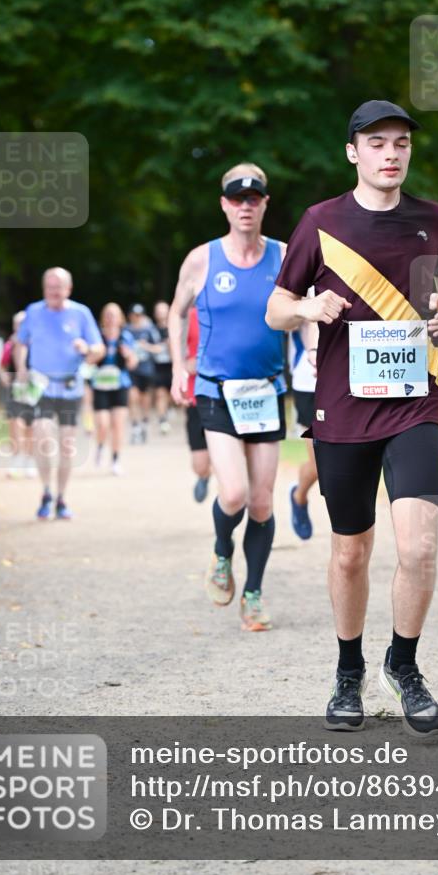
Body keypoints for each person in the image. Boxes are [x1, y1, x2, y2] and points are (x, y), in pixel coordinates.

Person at [266, 100, 438, 732]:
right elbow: (275, 307)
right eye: (377, 143)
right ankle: (348, 670)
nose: (391, 153)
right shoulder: (319, 221)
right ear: (353, 152)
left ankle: (403, 665)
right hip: (343, 408)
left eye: (401, 143)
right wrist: (307, 309)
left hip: (416, 402)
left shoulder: (430, 219)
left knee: (420, 545)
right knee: (351, 552)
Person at [169, 162, 286, 632]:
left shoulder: (283, 256)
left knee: (261, 502)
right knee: (233, 493)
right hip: (215, 390)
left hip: (267, 390)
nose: (245, 205)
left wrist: (314, 352)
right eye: (236, 198)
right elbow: (177, 313)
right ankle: (222, 553)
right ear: (224, 204)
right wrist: (179, 364)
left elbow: (303, 312)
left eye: (253, 198)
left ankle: (253, 593)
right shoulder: (201, 259)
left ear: (264, 204)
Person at [15, 267, 104, 520]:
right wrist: (21, 366)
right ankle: (45, 491)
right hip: (41, 385)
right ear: (44, 288)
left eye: (58, 286)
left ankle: (62, 497)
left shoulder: (81, 313)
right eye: (49, 286)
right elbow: (22, 342)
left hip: (69, 386)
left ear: (69, 288)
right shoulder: (33, 312)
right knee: (43, 437)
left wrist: (87, 348)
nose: (54, 291)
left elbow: (99, 348)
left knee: (66, 445)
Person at [92, 303, 138, 476]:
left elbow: (134, 363)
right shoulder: (97, 337)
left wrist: (128, 355)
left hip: (120, 385)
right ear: (104, 318)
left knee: (118, 426)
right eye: (108, 314)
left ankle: (115, 460)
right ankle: (100, 446)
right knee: (103, 424)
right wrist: (97, 354)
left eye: (115, 315)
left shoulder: (126, 337)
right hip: (101, 386)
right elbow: (88, 361)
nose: (111, 318)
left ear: (120, 318)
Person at [288, 315, 319, 540]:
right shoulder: (299, 285)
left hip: (349, 378)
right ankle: (299, 496)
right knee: (320, 463)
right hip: (308, 383)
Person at [0, 311, 35, 477]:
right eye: (17, 324)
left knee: (31, 425)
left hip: (33, 388)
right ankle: (16, 458)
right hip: (15, 388)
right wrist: (3, 375)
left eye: (22, 324)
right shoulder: (9, 345)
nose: (19, 327)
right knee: (15, 422)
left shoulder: (35, 343)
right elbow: (2, 366)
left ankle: (29, 459)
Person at [184, 306, 212, 503]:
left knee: (228, 462)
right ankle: (204, 474)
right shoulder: (189, 316)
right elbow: (176, 356)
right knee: (200, 464)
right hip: (196, 396)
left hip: (228, 397)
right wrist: (185, 365)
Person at [127, 304, 158, 444]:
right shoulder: (126, 331)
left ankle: (144, 421)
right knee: (132, 397)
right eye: (134, 315)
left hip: (146, 369)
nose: (136, 318)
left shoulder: (149, 330)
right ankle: (135, 425)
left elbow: (158, 348)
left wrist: (146, 346)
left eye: (139, 315)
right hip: (131, 370)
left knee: (144, 399)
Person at [151, 300, 173, 434]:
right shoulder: (152, 330)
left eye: (163, 310)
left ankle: (169, 408)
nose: (161, 313)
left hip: (172, 365)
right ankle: (162, 420)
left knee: (172, 395)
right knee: (160, 394)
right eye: (159, 311)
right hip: (158, 366)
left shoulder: (175, 327)